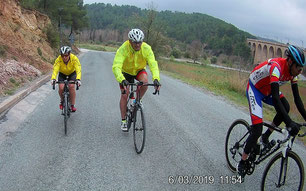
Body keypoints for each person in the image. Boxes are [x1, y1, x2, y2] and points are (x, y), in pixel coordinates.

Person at [237, 45, 306, 178]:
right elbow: (275, 97)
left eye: (302, 68)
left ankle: (266, 136)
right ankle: (242, 161)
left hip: (267, 90)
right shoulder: (276, 67)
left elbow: (297, 100)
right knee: (257, 129)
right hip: (255, 89)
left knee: (285, 106)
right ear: (290, 62)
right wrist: (289, 122)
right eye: (298, 67)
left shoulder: (293, 74)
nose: (300, 71)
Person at [112, 28, 161, 131]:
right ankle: (124, 121)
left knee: (145, 83)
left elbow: (153, 64)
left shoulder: (146, 48)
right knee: (125, 94)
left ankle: (137, 100)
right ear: (130, 41)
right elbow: (116, 66)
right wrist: (121, 79)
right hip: (125, 72)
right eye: (135, 43)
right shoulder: (123, 48)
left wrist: (156, 78)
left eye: (139, 42)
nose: (138, 45)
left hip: (139, 70)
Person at [51, 46, 81, 112]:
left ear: (69, 54)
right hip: (62, 74)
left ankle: (72, 105)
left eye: (66, 55)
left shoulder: (74, 58)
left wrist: (78, 79)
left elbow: (78, 69)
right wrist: (53, 79)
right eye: (62, 55)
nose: (64, 57)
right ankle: (62, 101)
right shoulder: (58, 59)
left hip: (72, 73)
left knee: (71, 86)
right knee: (61, 88)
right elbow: (55, 70)